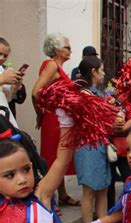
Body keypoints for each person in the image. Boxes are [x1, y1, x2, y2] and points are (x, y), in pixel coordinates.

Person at [32, 33, 80, 212]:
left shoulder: (56, 66)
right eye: (67, 47)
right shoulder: (51, 65)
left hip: (58, 117)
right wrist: (40, 114)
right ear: (56, 49)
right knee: (54, 157)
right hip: (55, 119)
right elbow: (36, 91)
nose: (70, 50)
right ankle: (48, 197)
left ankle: (62, 194)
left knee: (60, 157)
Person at [73, 56, 117, 223]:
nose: (104, 73)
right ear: (93, 72)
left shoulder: (96, 93)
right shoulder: (84, 94)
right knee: (90, 190)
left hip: (100, 144)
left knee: (103, 189)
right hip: (88, 146)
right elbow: (99, 118)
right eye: (101, 69)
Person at [107, 94, 131, 209]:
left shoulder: (126, 100)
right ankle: (110, 211)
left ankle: (128, 208)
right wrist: (111, 126)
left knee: (129, 177)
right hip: (108, 145)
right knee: (109, 182)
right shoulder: (104, 97)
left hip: (123, 146)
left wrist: (123, 127)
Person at [0, 37, 23, 126]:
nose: (2, 58)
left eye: (5, 56)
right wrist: (2, 79)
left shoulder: (4, 69)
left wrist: (16, 87)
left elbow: (6, 99)